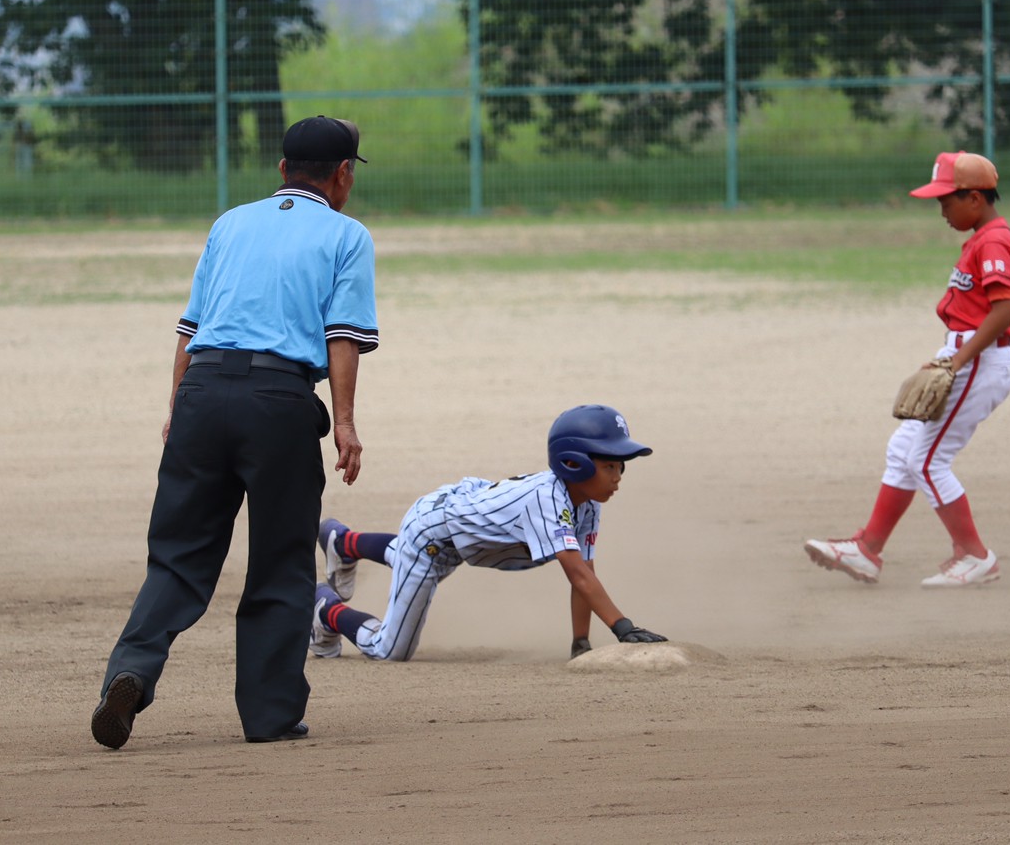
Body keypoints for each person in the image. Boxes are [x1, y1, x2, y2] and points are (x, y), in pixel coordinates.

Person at [91, 115, 379, 749]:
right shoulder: (347, 236)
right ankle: (270, 715)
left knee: (177, 559)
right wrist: (347, 425)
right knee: (279, 564)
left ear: (281, 171)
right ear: (342, 175)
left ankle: (131, 672)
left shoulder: (229, 223)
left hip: (202, 392)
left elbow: (190, 330)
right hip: (278, 402)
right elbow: (342, 339)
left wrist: (178, 408)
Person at [804, 150, 1010, 588]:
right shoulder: (981, 238)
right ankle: (867, 550)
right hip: (966, 357)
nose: (941, 211)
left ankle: (976, 556)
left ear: (974, 198)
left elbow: (1004, 309)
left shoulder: (994, 241)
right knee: (904, 448)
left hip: (980, 361)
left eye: (947, 201)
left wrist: (957, 360)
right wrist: (948, 355)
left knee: (927, 459)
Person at [309, 404, 667, 662]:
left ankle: (344, 542)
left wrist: (580, 643)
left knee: (416, 551)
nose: (618, 475)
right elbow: (578, 574)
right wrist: (622, 626)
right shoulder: (548, 501)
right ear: (574, 463)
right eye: (609, 465)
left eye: (621, 466)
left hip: (451, 526)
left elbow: (585, 577)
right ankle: (328, 609)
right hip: (433, 535)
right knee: (391, 650)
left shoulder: (587, 503)